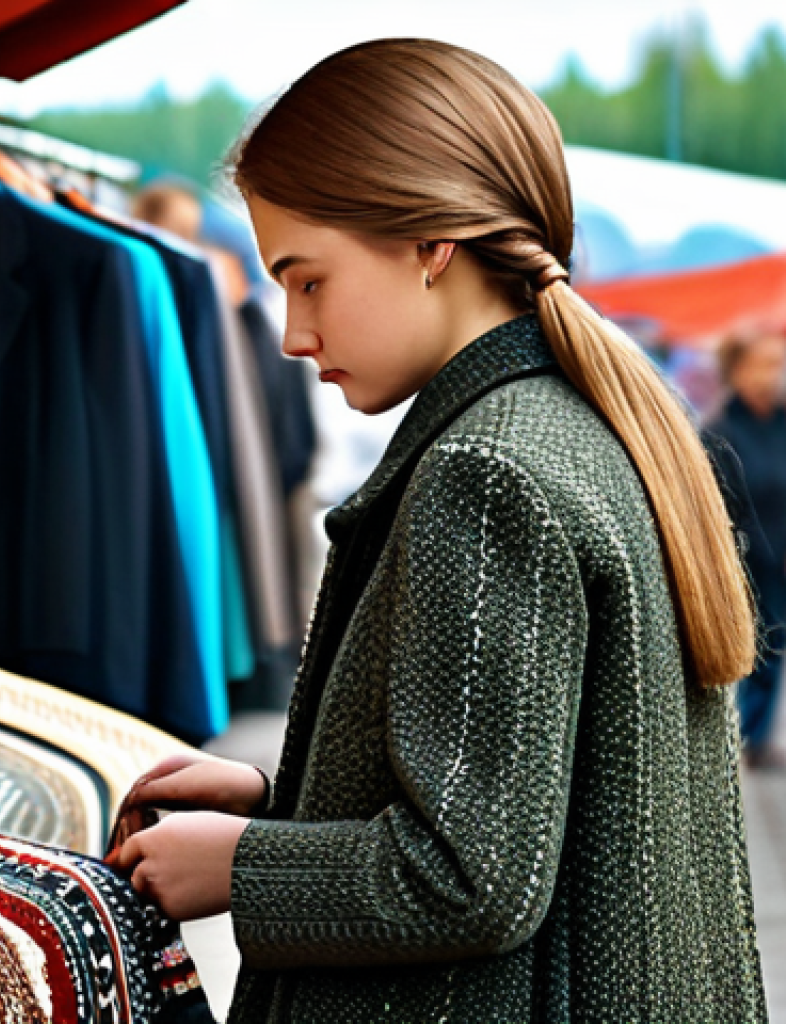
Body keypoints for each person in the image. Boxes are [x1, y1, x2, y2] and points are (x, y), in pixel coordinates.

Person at [108, 39, 768, 1023]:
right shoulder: (583, 421)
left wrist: (241, 866)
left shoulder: (485, 471)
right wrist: (277, 796)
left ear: (431, 243)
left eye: (309, 279)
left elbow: (467, 876)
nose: (291, 331)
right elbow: (534, 793)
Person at [707, 330, 786, 769]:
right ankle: (732, 735)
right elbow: (727, 504)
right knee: (745, 651)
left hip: (780, 558)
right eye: (764, 364)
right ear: (737, 371)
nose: (774, 375)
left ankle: (753, 738)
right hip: (742, 559)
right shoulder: (720, 431)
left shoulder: (781, 423)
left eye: (779, 364)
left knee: (774, 648)